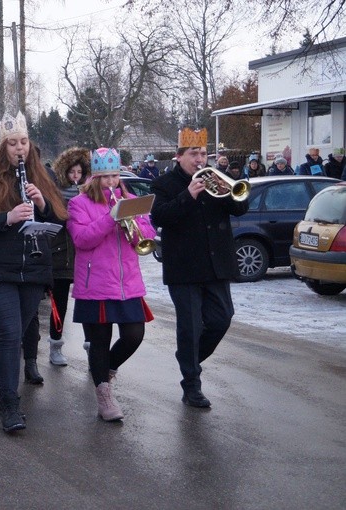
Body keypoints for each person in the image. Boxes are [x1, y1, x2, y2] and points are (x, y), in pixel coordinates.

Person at [0, 112, 67, 432]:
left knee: (18, 334)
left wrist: (43, 204)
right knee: (9, 332)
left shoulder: (41, 175)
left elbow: (60, 220)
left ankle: (10, 393)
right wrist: (7, 218)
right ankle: (9, 402)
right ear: (2, 146)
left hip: (33, 267)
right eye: (12, 143)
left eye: (24, 142)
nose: (19, 148)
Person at [150, 128, 249, 408]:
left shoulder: (216, 179)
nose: (200, 159)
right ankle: (191, 384)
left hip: (217, 265)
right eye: (194, 154)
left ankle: (188, 359)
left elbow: (240, 208)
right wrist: (188, 195)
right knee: (190, 328)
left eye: (203, 154)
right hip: (184, 269)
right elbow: (159, 217)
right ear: (179, 156)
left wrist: (228, 188)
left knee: (222, 319)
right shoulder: (165, 184)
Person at [67, 147, 155, 421]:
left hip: (127, 282)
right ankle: (104, 395)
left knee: (133, 335)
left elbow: (148, 233)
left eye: (115, 176)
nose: (111, 182)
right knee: (100, 341)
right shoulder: (78, 204)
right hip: (96, 283)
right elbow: (82, 240)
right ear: (94, 177)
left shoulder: (129, 198)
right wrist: (110, 218)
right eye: (105, 177)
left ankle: (106, 372)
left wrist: (136, 226)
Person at [47, 146, 90, 367]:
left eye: (79, 173)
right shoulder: (54, 192)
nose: (76, 177)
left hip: (84, 256)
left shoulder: (88, 192)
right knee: (59, 304)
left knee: (88, 304)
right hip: (60, 254)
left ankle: (92, 345)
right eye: (72, 172)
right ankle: (55, 345)